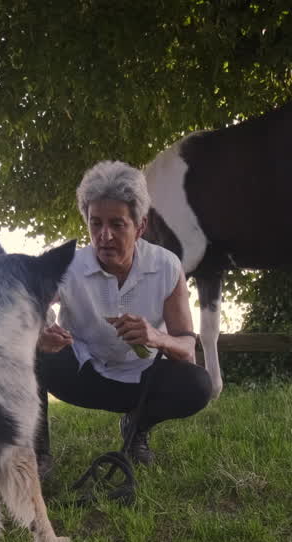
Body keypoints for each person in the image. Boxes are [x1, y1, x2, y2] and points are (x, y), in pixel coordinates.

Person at [35, 160, 212, 476]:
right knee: (29, 350)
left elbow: (187, 348)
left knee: (197, 384)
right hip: (82, 375)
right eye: (95, 223)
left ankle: (137, 426)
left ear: (141, 226)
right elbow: (26, 306)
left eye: (117, 224)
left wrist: (155, 337)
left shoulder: (167, 267)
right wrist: (40, 332)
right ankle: (37, 454)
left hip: (141, 382)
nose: (104, 236)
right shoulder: (67, 266)